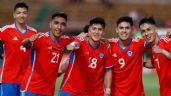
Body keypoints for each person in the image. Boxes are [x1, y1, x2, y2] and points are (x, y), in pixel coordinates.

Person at [20, 11, 75, 96]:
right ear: (50, 24)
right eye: (56, 23)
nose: (59, 27)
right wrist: (28, 40)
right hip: (31, 89)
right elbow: (24, 44)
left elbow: (80, 38)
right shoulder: (40, 38)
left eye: (62, 24)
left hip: (48, 91)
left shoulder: (65, 40)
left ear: (65, 27)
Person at [59, 17, 113, 96]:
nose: (96, 32)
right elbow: (71, 46)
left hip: (94, 93)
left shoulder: (106, 48)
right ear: (89, 31)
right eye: (94, 29)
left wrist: (108, 89)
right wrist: (72, 46)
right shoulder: (80, 41)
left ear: (103, 32)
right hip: (71, 91)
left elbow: (108, 70)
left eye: (99, 29)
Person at [0, 2, 37, 96]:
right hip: (8, 79)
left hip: (26, 80)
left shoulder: (33, 32)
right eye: (18, 13)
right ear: (14, 15)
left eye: (24, 13)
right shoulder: (6, 30)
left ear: (27, 15)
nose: (22, 15)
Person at [108, 16, 147, 96]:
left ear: (132, 30)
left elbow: (156, 41)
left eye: (127, 28)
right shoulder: (109, 46)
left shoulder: (140, 44)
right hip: (116, 94)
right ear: (117, 30)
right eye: (121, 28)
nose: (124, 31)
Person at [139, 17, 171, 96]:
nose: (146, 33)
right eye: (143, 31)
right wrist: (139, 62)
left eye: (149, 29)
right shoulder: (151, 47)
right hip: (164, 90)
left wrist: (162, 51)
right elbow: (155, 63)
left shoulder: (166, 41)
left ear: (156, 29)